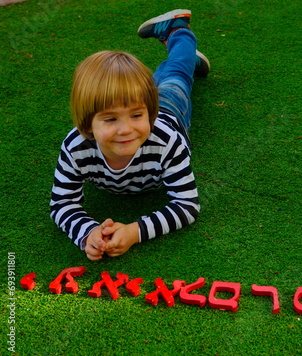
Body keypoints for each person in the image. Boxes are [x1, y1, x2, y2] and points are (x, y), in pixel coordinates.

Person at [50, 9, 209, 260]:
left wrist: (135, 232)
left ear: (149, 113)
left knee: (176, 77)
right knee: (169, 75)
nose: (126, 129)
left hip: (169, 109)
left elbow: (187, 206)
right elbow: (61, 204)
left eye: (136, 115)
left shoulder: (167, 142)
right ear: (87, 124)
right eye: (111, 118)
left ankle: (178, 31)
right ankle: (184, 61)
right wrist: (87, 232)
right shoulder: (76, 147)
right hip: (151, 103)